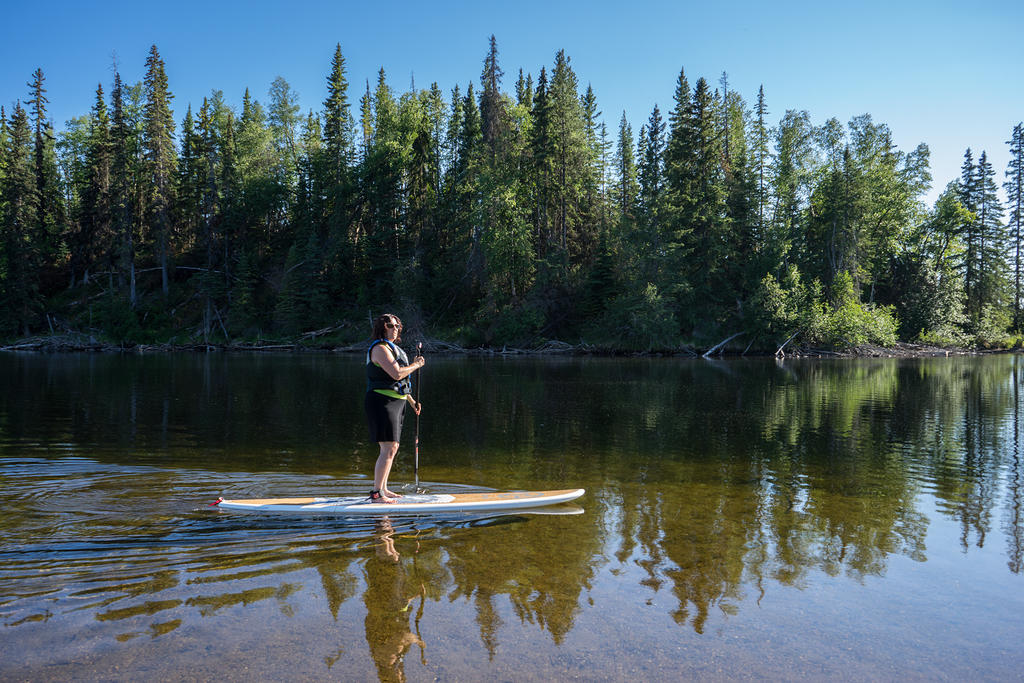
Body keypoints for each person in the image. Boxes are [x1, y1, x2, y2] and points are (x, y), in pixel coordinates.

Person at [365, 313, 424, 502]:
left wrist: (413, 402)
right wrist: (416, 365)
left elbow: (400, 384)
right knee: (388, 447)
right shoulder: (380, 349)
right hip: (381, 401)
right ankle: (376, 493)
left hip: (396, 401)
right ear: (382, 328)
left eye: (398, 325)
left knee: (393, 447)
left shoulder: (394, 350)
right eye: (391, 325)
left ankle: (383, 488)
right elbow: (397, 373)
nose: (395, 328)